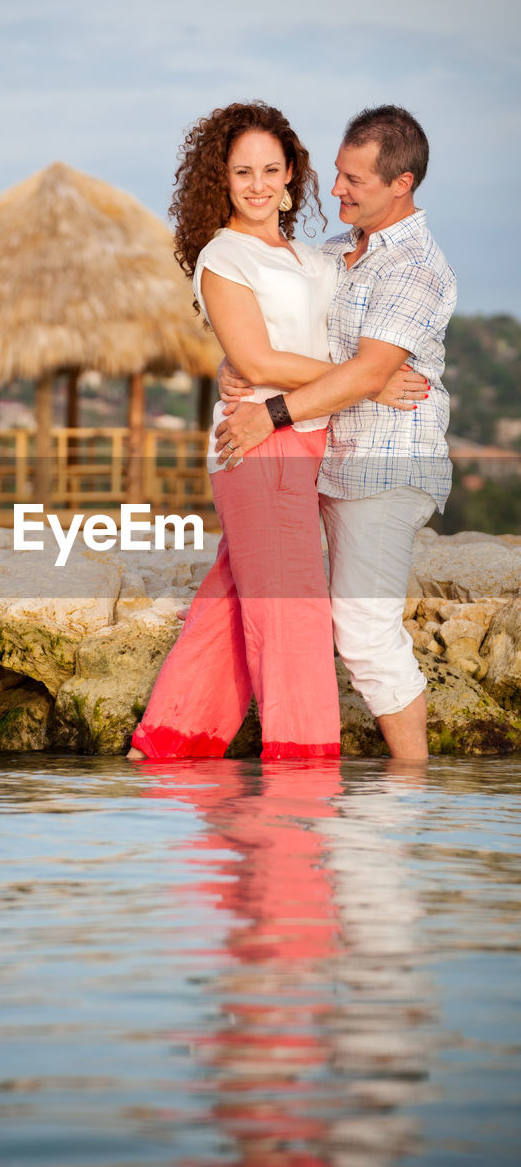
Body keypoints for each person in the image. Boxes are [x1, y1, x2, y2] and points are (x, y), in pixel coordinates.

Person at [127, 102, 424, 762]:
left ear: (290, 172)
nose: (257, 183)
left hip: (311, 442)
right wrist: (365, 378)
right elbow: (259, 362)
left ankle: (168, 751)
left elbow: (341, 324)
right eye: (241, 172)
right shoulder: (222, 257)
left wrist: (358, 373)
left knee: (232, 604)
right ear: (221, 180)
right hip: (255, 445)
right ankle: (303, 769)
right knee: (291, 614)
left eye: (269, 168)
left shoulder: (312, 258)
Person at [211, 105, 454, 763]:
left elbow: (369, 373)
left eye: (354, 180)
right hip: (315, 458)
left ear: (400, 183)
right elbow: (277, 332)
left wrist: (271, 411)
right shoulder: (330, 253)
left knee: (366, 631)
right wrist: (235, 364)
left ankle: (409, 793)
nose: (335, 190)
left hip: (382, 464)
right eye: (338, 173)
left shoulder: (414, 270)